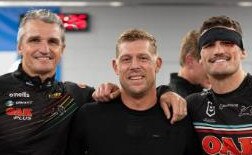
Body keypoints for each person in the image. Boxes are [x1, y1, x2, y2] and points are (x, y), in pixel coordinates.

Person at [0, 9, 186, 155]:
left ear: (62, 49)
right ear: (19, 46)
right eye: (34, 40)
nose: (44, 49)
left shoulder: (75, 95)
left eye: (53, 42)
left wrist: (165, 92)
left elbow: (136, 93)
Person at [66, 29, 202, 155]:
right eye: (126, 59)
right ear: (115, 66)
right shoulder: (89, 117)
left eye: (143, 58)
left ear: (158, 64)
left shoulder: (179, 117)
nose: (135, 66)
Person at [186, 15, 252, 154]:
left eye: (227, 42)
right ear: (200, 59)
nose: (218, 51)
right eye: (209, 45)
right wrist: (164, 92)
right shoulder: (192, 106)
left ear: (243, 52)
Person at [169, 30, 210, 98]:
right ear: (190, 61)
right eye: (208, 62)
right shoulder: (178, 101)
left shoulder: (199, 93)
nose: (212, 69)